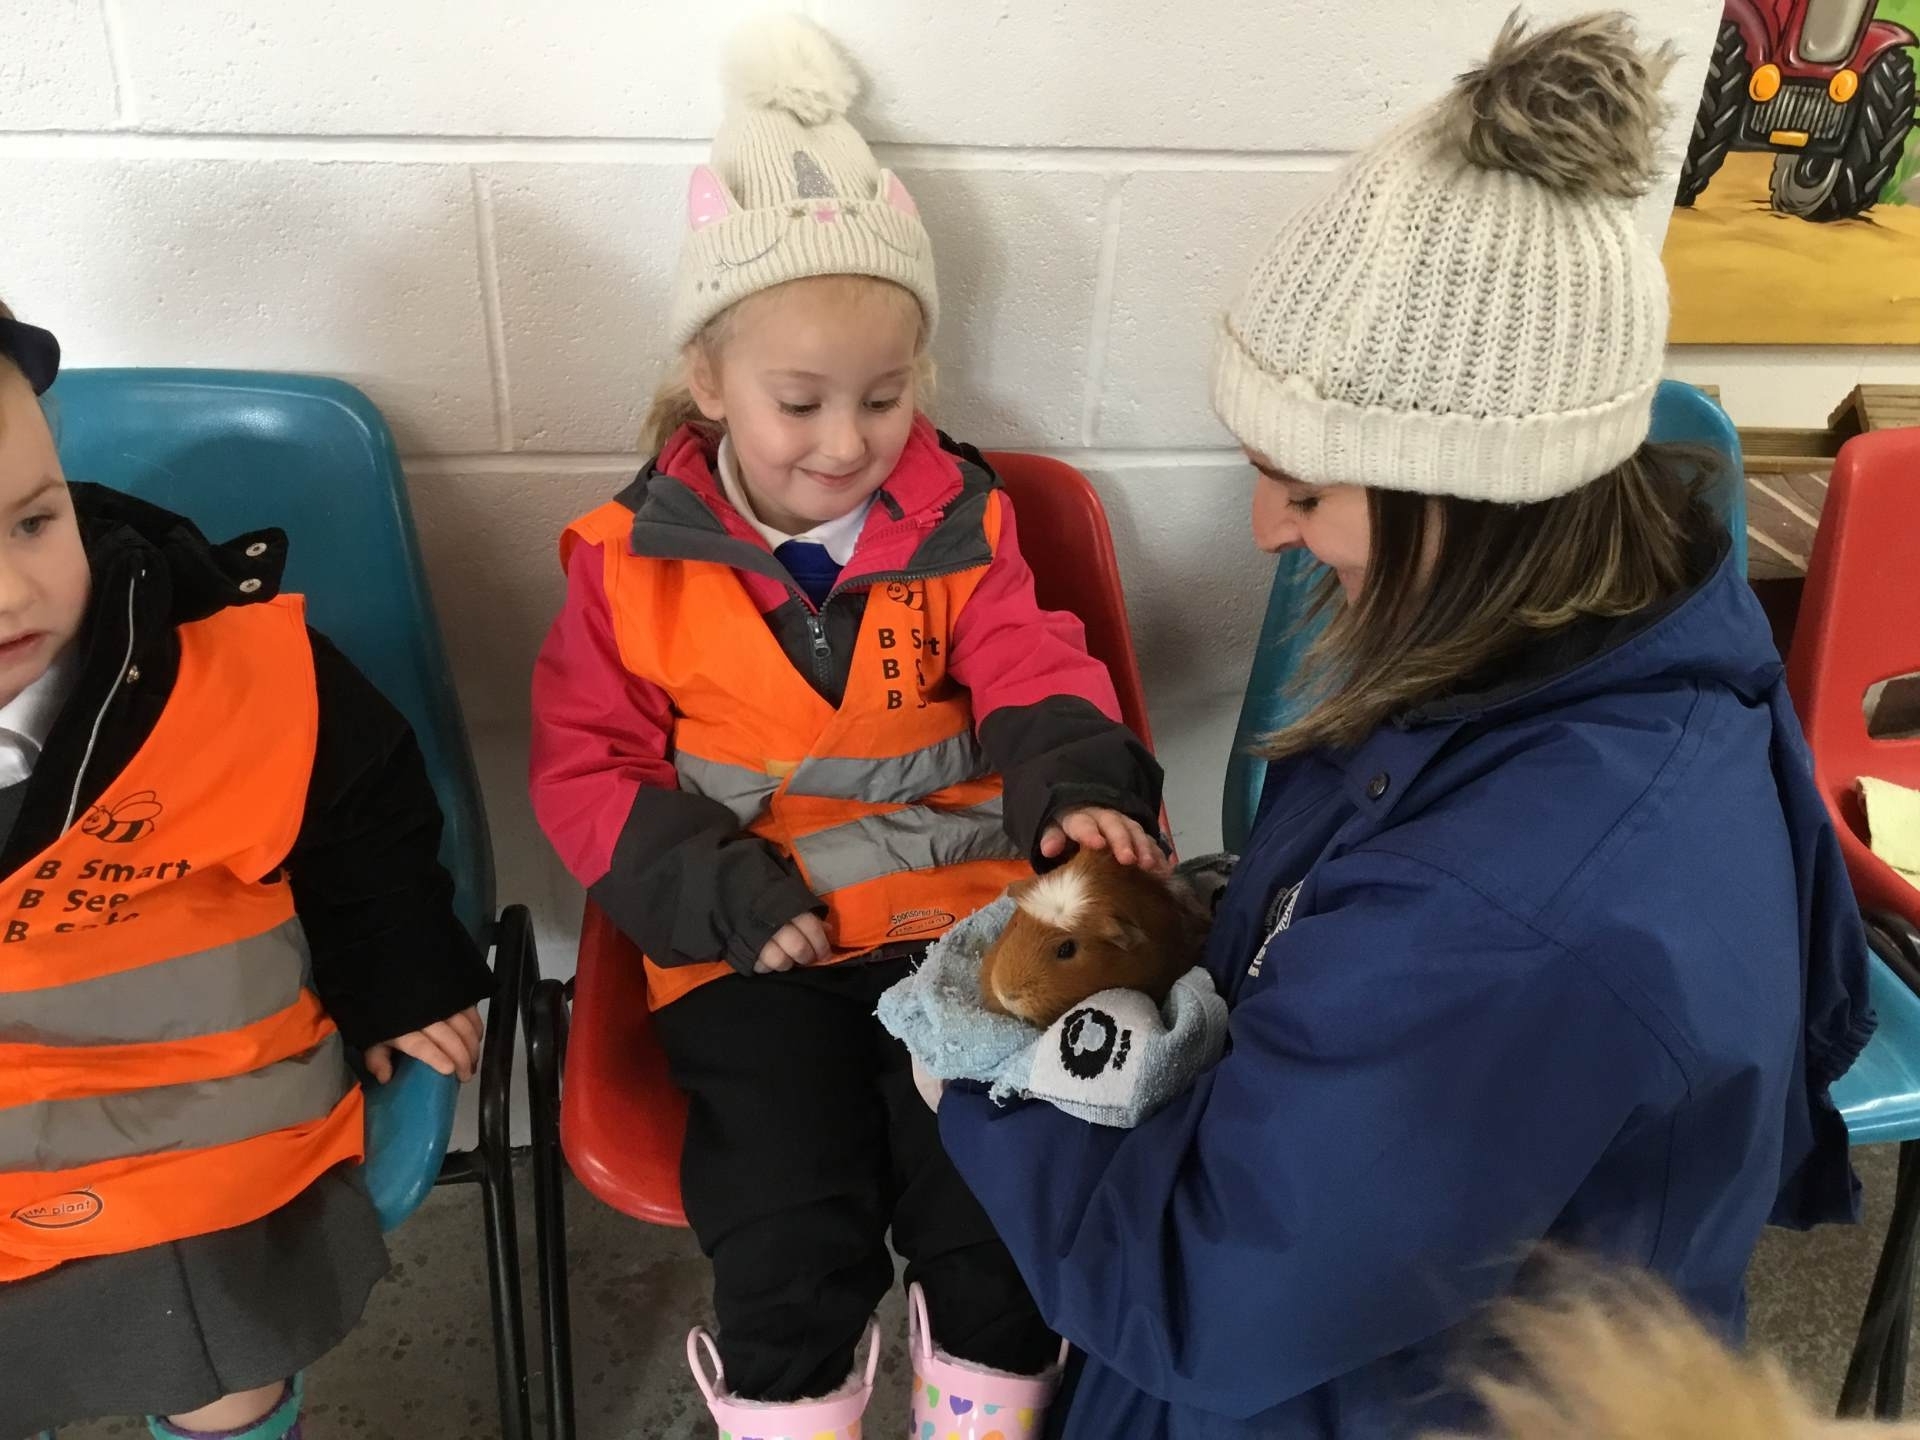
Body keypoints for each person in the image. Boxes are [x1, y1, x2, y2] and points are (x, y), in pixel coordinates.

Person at [930, 13, 1873, 1438]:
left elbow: (1196, 1289)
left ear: (1478, 492)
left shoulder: (1515, 913)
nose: (1268, 527)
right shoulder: (1592, 642)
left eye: (1306, 491)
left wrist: (984, 1078)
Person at [526, 16, 1164, 1439]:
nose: (845, 441)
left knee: (995, 1212)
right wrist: (725, 897)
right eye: (799, 402)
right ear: (710, 384)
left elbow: (1033, 661)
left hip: (965, 922)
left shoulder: (964, 519)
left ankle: (984, 1410)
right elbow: (586, 769)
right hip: (759, 943)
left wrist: (1077, 783)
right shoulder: (623, 561)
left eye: (883, 398)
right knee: (784, 1223)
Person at [0, 302, 493, 1440]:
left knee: (219, 1342)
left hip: (193, 1107)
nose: (13, 592)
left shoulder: (211, 659)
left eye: (32, 521)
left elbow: (363, 810)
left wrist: (396, 972)